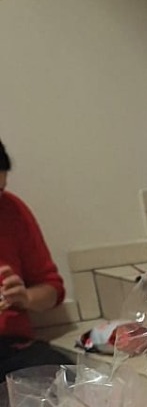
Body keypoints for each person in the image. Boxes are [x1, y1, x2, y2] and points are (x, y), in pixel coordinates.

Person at [0, 141, 70, 382]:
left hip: (10, 349)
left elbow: (52, 289)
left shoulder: (11, 209)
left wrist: (26, 298)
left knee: (66, 377)